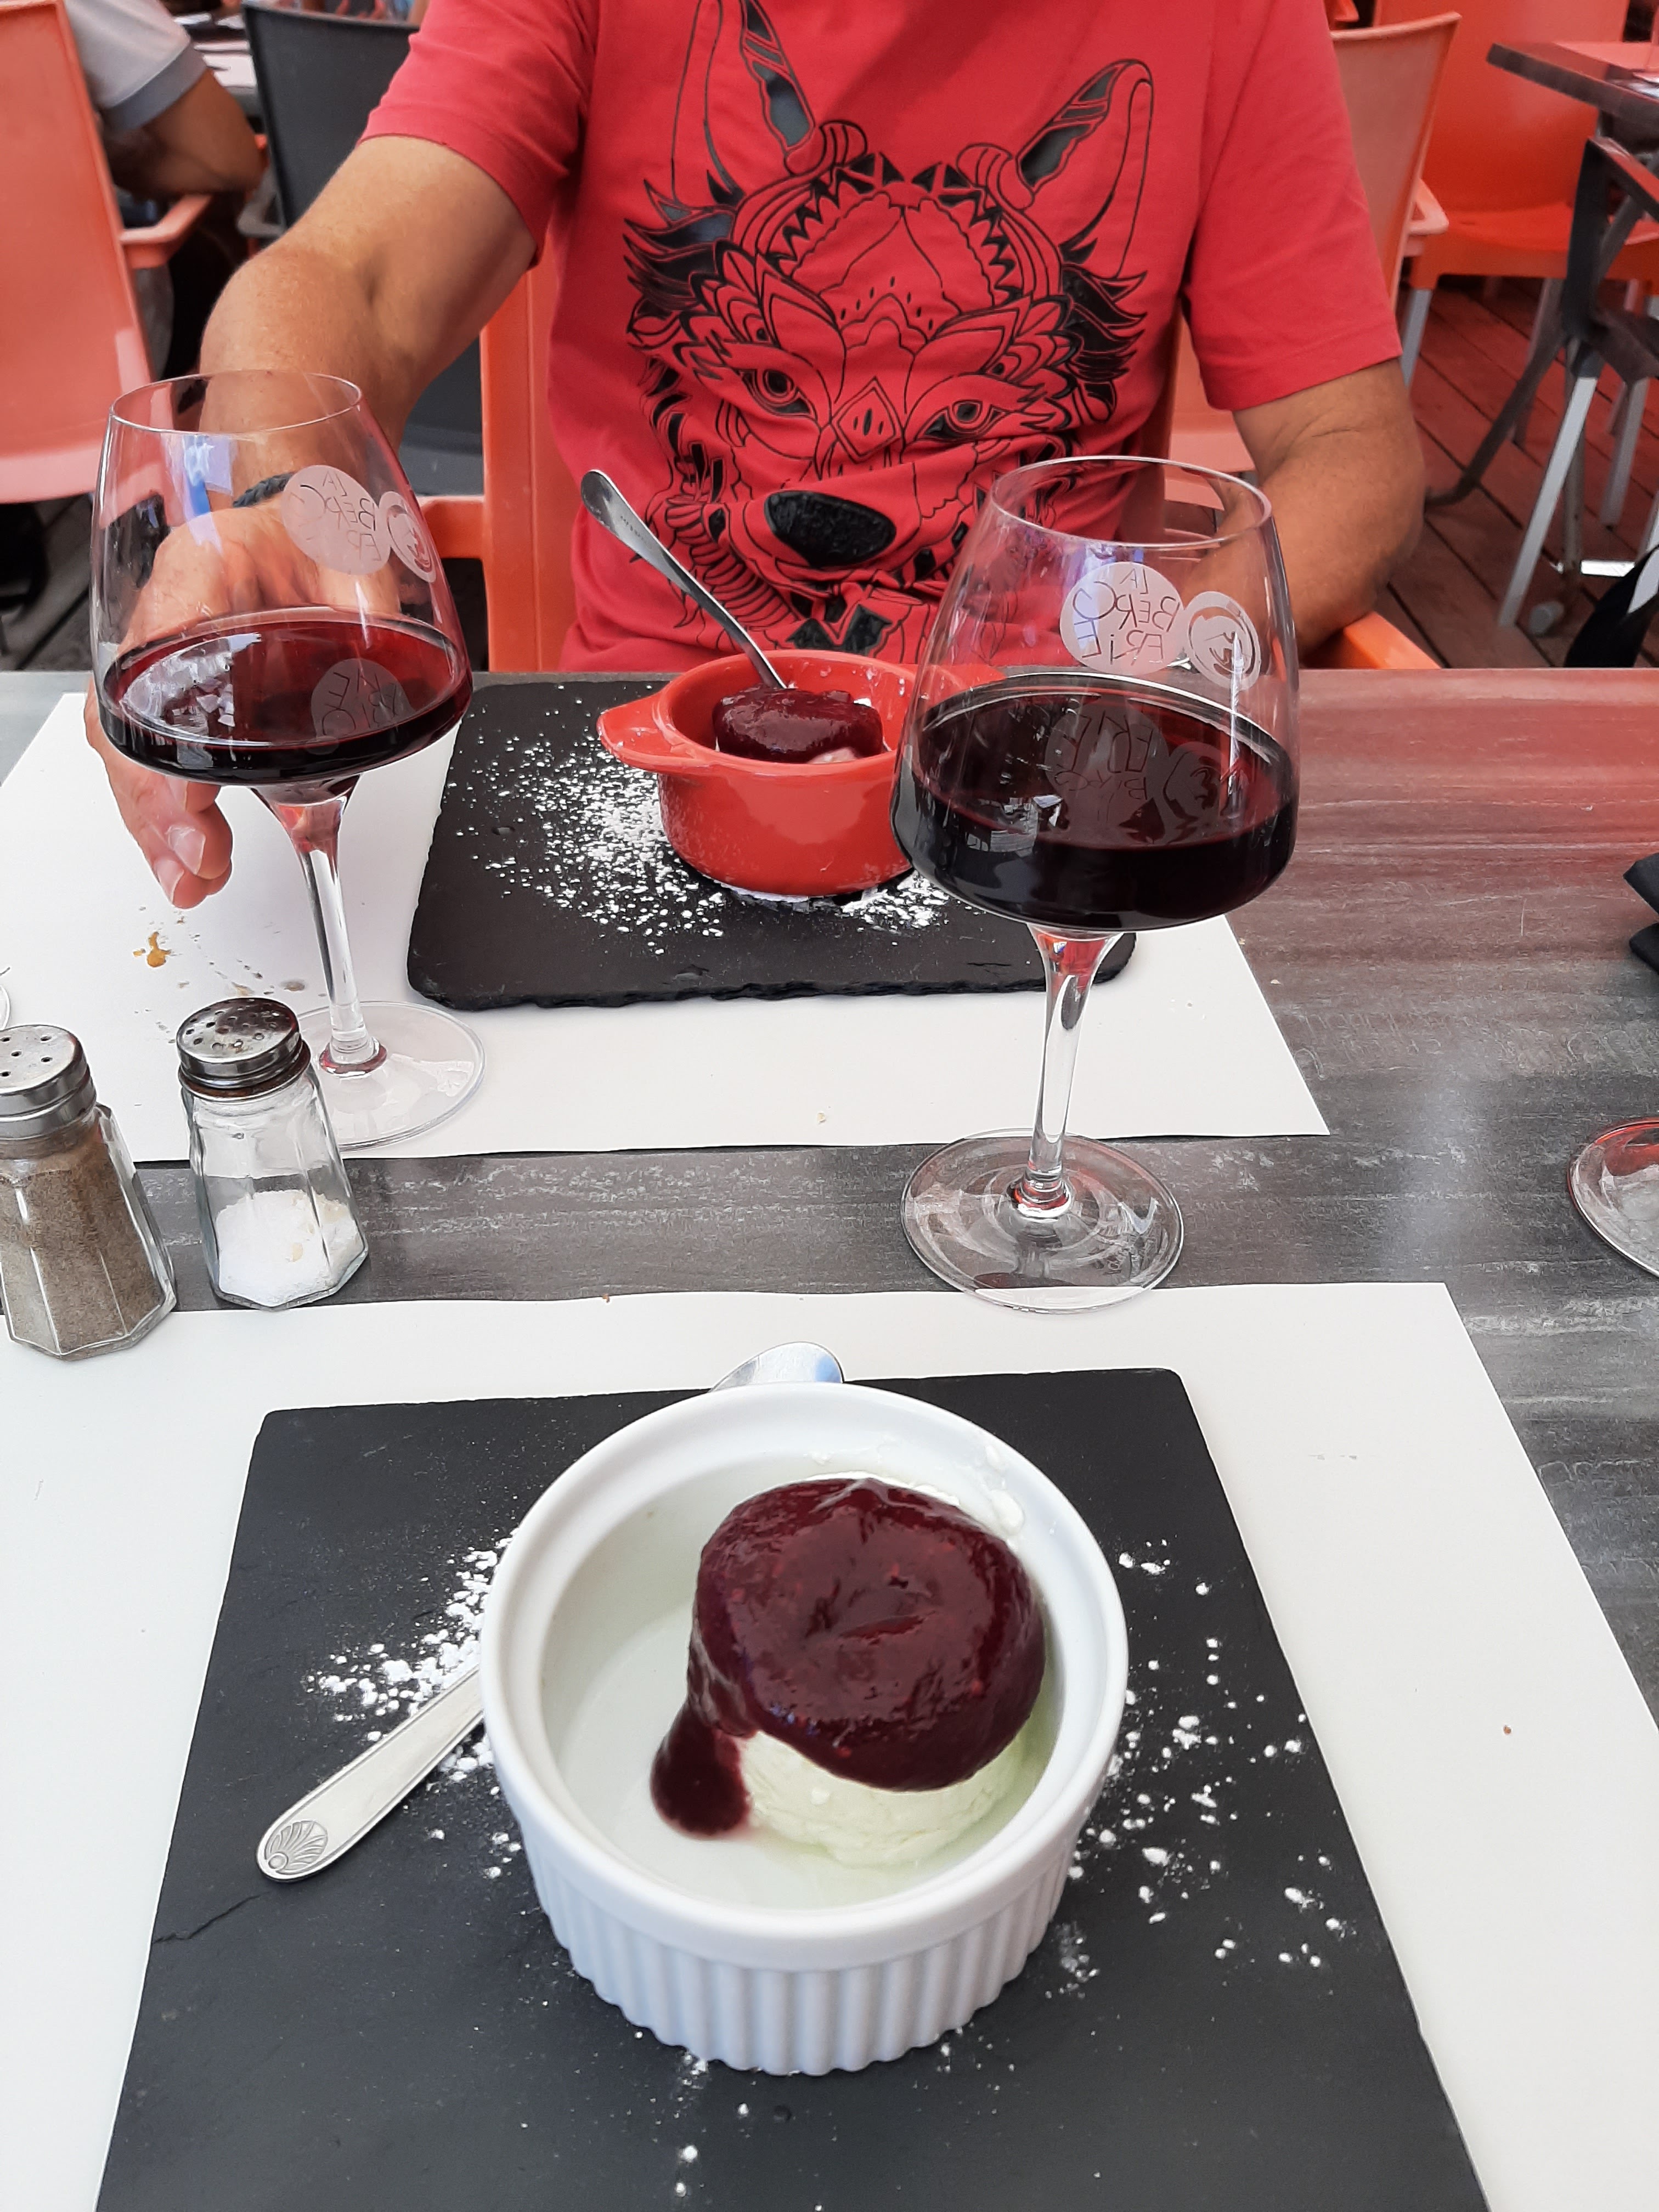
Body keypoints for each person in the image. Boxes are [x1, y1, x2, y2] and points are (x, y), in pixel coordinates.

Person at [88, 0, 1424, 907]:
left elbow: (1351, 449)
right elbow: (350, 277)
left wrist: (1146, 669)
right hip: (639, 760)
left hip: (1029, 762)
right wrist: (275, 498)